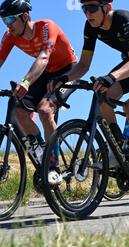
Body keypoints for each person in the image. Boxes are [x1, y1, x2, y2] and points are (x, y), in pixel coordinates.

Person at [51, 0, 129, 185]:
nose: (87, 13)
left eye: (92, 8)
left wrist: (111, 77)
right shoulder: (90, 26)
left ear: (106, 8)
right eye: (84, 9)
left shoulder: (122, 18)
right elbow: (83, 65)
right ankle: (118, 147)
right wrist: (64, 79)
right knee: (103, 98)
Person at [0, 0, 77, 171]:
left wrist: (26, 81)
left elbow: (43, 57)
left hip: (68, 71)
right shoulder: (10, 36)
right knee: (20, 112)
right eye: (4, 20)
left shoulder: (46, 27)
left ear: (25, 16)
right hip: (46, 72)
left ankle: (53, 166)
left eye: (11, 19)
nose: (7, 25)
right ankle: (43, 150)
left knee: (44, 109)